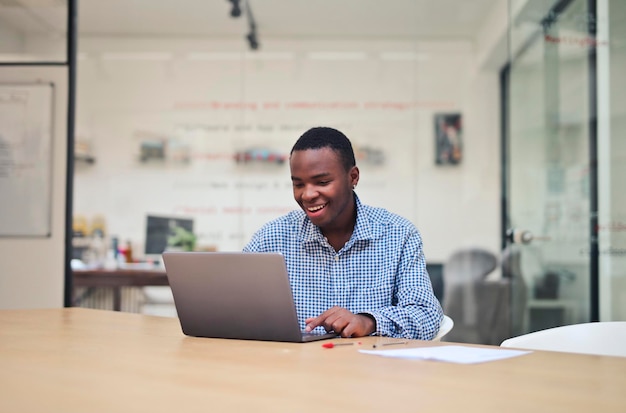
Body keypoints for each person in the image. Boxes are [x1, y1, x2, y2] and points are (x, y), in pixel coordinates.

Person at [243, 127, 443, 339]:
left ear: (353, 177)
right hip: (293, 369)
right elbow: (233, 306)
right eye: (298, 184)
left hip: (369, 369)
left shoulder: (398, 235)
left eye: (322, 182)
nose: (308, 194)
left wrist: (369, 322)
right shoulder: (272, 238)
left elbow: (426, 315)